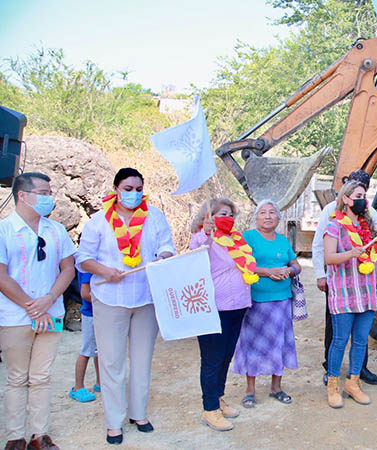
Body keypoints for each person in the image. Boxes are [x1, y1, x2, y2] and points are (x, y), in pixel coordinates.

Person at [77, 168, 176, 445]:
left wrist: (163, 257)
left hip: (145, 297)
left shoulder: (154, 216)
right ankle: (113, 422)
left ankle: (139, 414)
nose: (134, 193)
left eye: (138, 188)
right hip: (109, 298)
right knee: (112, 362)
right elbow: (84, 258)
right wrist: (105, 271)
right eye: (128, 188)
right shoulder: (99, 221)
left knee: (142, 360)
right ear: (116, 189)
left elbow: (167, 247)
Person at [0, 172, 77, 450]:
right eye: (43, 193)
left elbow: (68, 268)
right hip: (15, 317)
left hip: (52, 314)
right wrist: (31, 306)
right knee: (17, 377)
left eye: (49, 192)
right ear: (23, 195)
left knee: (42, 376)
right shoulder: (4, 230)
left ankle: (40, 435)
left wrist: (49, 299)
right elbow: (2, 276)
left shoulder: (55, 230)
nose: (49, 197)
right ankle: (14, 436)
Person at [312, 169, 377, 387]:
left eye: (363, 191)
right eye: (355, 189)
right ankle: (329, 371)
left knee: (361, 333)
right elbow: (320, 246)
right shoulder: (332, 214)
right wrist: (320, 275)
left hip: (364, 285)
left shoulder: (370, 216)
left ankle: (358, 372)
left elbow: (375, 247)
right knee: (336, 330)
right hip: (340, 283)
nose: (361, 197)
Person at [189, 198, 256, 432]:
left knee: (226, 356)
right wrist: (206, 234)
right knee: (212, 359)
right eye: (221, 214)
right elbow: (197, 250)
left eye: (230, 214)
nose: (227, 218)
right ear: (208, 217)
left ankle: (218, 398)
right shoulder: (203, 239)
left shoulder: (235, 240)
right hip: (214, 308)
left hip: (237, 306)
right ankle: (209, 410)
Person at [323, 180, 377, 408]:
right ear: (347, 199)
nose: (364, 199)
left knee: (360, 341)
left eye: (365, 195)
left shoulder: (367, 226)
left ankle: (353, 382)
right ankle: (333, 386)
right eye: (359, 195)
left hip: (367, 291)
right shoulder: (334, 226)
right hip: (344, 291)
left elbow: (374, 257)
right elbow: (329, 258)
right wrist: (351, 253)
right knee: (340, 340)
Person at [233, 199, 300, 408]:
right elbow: (242, 264)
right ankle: (250, 390)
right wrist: (268, 272)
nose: (268, 216)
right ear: (256, 218)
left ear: (278, 218)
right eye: (263, 213)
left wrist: (289, 271)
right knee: (252, 343)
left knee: (278, 342)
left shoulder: (283, 241)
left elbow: (296, 264)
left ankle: (276, 387)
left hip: (281, 300)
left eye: (272, 212)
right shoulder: (248, 237)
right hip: (255, 300)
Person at [69, 270, 100, 403]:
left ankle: (100, 382)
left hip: (99, 313)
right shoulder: (87, 267)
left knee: (99, 350)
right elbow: (85, 293)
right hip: (90, 315)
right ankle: (78, 387)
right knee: (87, 351)